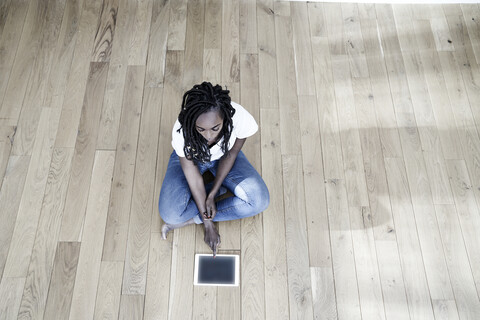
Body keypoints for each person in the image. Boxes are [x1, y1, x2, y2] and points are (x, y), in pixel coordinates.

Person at [158, 82, 270, 256]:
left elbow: (231, 154)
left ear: (225, 118)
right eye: (200, 129)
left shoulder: (239, 117)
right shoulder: (181, 130)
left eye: (215, 128)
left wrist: (211, 195)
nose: (208, 136)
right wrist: (208, 223)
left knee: (259, 200)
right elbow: (192, 174)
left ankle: (196, 213)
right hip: (192, 160)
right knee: (170, 214)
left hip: (225, 156)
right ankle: (218, 193)